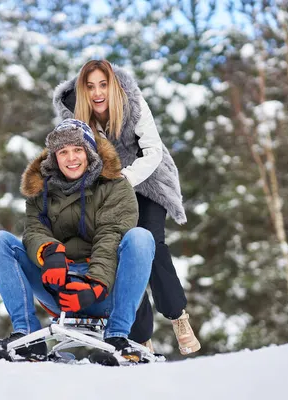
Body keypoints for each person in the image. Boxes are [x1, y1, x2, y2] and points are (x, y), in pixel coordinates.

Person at [52, 59, 201, 355]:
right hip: (106, 188)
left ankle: (177, 316)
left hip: (147, 178)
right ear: (82, 90)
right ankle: (140, 333)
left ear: (113, 85)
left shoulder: (132, 101)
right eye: (91, 86)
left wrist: (125, 177)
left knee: (150, 241)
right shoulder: (73, 113)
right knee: (124, 251)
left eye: (103, 85)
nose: (97, 93)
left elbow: (153, 151)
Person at [0, 119, 155, 362]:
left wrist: (94, 285)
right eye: (63, 152)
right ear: (54, 158)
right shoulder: (40, 191)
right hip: (58, 287)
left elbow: (111, 235)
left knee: (141, 238)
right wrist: (50, 252)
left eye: (77, 150)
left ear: (90, 152)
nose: (71, 158)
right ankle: (27, 335)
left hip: (104, 291)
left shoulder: (115, 186)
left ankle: (117, 337)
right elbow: (33, 231)